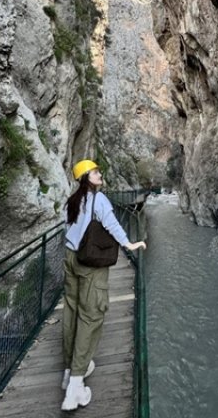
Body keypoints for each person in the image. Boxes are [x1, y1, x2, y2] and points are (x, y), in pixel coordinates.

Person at [60, 160, 147, 411]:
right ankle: (75, 387)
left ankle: (68, 371)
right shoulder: (99, 200)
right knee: (91, 315)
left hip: (69, 258)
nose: (100, 174)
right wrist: (129, 244)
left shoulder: (73, 200)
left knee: (71, 312)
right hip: (89, 264)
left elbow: (70, 228)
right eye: (96, 171)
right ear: (87, 177)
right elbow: (110, 223)